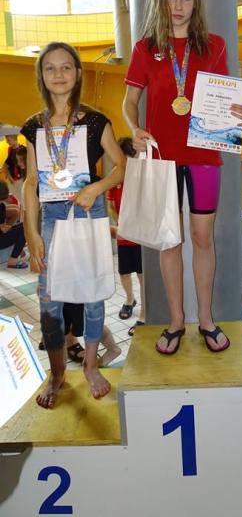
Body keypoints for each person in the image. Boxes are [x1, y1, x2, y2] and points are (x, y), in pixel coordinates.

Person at [123, 0, 242, 355]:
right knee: (169, 240)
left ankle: (206, 319)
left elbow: (228, 100)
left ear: (196, 1)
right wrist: (134, 127)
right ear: (160, 1)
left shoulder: (214, 45)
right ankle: (176, 321)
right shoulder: (145, 48)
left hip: (203, 156)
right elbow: (129, 101)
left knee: (202, 237)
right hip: (162, 158)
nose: (178, 6)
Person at [22, 41, 125, 408]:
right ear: (41, 75)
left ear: (78, 74)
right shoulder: (34, 127)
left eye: (66, 67)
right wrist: (32, 233)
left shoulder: (95, 122)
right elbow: (30, 183)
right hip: (51, 218)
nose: (59, 74)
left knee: (93, 295)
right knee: (50, 301)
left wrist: (96, 187)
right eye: (50, 68)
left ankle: (91, 366)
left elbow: (121, 166)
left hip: (89, 214)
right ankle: (56, 373)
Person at [107, 136, 145, 329]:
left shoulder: (141, 176)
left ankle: (145, 310)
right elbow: (111, 205)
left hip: (140, 234)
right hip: (124, 233)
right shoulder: (115, 175)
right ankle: (130, 299)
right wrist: (121, 223)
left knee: (141, 273)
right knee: (124, 272)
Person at [0, 180, 27, 268]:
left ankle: (19, 248)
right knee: (24, 229)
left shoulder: (2, 206)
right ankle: (13, 261)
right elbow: (3, 229)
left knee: (22, 226)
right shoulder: (1, 207)